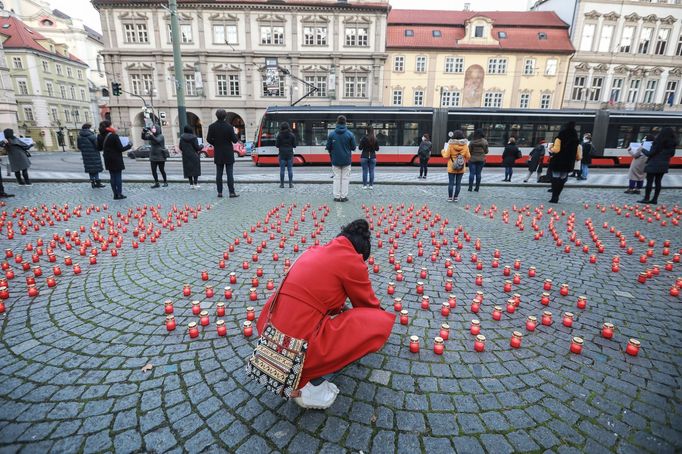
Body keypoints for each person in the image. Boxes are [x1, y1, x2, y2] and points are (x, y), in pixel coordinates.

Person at [255, 219, 394, 409]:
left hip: (269, 332)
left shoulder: (313, 251)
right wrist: (382, 325)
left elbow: (313, 297)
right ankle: (310, 384)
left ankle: (296, 376)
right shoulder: (352, 260)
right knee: (376, 322)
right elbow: (368, 306)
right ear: (360, 254)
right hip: (299, 345)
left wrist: (340, 307)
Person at [638, 127, 677, 205]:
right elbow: (672, 154)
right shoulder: (672, 143)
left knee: (649, 182)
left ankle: (646, 198)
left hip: (653, 164)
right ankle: (655, 199)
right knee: (658, 182)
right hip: (664, 164)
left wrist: (642, 149)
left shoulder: (658, 141)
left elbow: (650, 153)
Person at [207, 109, 240, 198]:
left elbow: (208, 139)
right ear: (225, 116)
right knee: (230, 174)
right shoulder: (229, 127)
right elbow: (235, 140)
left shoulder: (212, 126)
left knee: (219, 174)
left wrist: (216, 144)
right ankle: (231, 192)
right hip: (228, 152)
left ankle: (220, 192)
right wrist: (236, 133)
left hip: (218, 152)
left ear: (216, 116)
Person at [547, 122, 582, 204]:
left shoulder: (559, 137)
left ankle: (554, 196)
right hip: (568, 162)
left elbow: (556, 150)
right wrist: (577, 158)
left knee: (555, 178)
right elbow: (577, 152)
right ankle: (557, 196)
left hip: (558, 161)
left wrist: (551, 148)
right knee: (562, 179)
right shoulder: (575, 139)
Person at [97, 120, 131, 200]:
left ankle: (115, 194)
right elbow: (120, 149)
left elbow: (99, 148)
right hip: (116, 158)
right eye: (112, 125)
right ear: (108, 127)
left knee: (112, 176)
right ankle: (119, 194)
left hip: (107, 158)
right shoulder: (114, 136)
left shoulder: (100, 136)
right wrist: (129, 145)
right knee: (118, 176)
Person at [326, 115, 356, 202]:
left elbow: (328, 147)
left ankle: (336, 196)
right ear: (345, 123)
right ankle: (343, 197)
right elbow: (353, 147)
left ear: (337, 122)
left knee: (336, 178)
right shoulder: (350, 134)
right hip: (346, 160)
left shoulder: (332, 134)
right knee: (345, 178)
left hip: (335, 160)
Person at [441, 130, 470, 202]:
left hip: (451, 166)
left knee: (451, 183)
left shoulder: (451, 145)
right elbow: (468, 156)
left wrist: (442, 151)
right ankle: (456, 197)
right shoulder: (465, 145)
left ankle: (450, 198)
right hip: (461, 166)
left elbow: (446, 156)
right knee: (458, 183)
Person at [77, 123, 105, 188]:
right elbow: (97, 145)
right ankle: (97, 182)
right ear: (88, 128)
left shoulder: (79, 136)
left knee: (90, 168)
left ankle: (92, 183)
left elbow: (79, 146)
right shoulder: (91, 135)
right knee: (95, 168)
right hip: (94, 154)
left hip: (86, 155)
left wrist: (85, 150)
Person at [275, 122, 296, 188]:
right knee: (290, 169)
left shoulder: (279, 135)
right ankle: (290, 184)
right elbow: (294, 145)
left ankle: (282, 184)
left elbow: (277, 145)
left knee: (282, 170)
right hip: (290, 154)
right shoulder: (292, 135)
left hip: (282, 154)